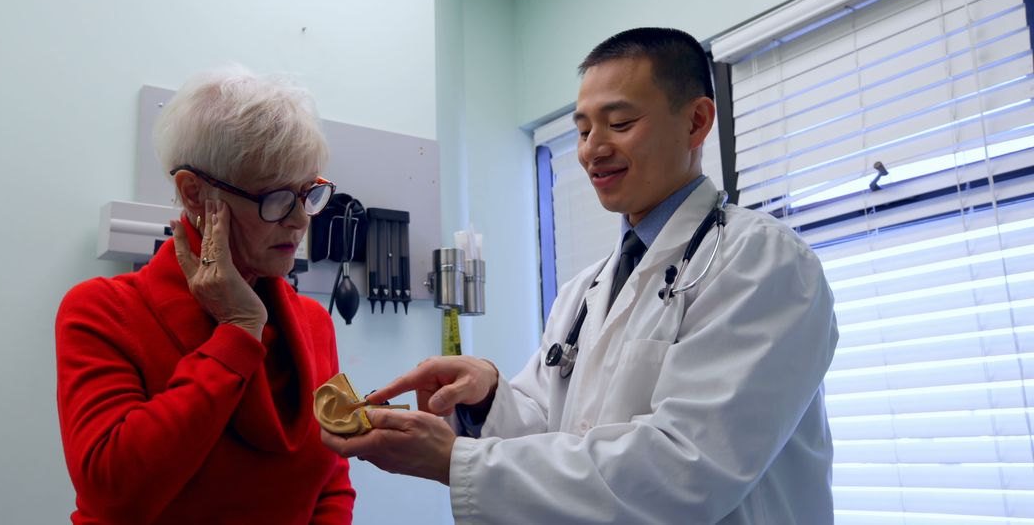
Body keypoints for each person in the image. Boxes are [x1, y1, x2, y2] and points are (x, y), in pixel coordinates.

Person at [321, 27, 839, 524]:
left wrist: (455, 461)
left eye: (619, 124)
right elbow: (555, 429)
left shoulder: (762, 262)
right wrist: (487, 396)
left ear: (697, 122)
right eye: (584, 129)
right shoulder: (584, 292)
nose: (593, 149)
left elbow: (689, 469)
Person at [55, 66, 354, 524]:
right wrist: (237, 332)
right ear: (194, 193)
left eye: (307, 193)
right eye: (275, 198)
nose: (299, 221)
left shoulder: (316, 323)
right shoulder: (102, 310)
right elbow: (113, 492)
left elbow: (334, 477)